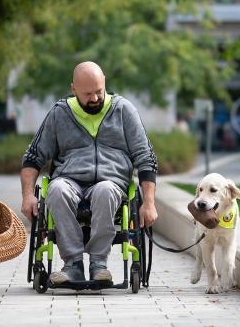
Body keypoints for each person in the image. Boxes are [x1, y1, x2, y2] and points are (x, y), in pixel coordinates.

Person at [20, 62, 158, 284]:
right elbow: (33, 157)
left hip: (111, 182)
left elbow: (146, 157)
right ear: (73, 89)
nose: (94, 98)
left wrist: (149, 203)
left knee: (104, 190)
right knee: (56, 189)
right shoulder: (59, 112)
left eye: (98, 91)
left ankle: (99, 264)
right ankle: (73, 264)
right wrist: (28, 196)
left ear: (104, 81)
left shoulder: (124, 110)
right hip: (69, 179)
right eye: (87, 94)